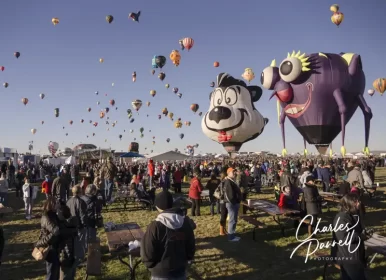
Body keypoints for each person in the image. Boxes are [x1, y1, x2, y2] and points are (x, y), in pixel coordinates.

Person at [141, 190, 196, 280]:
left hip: (160, 273)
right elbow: (191, 247)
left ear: (158, 207)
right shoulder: (185, 223)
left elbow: (147, 253)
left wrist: (151, 266)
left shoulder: (155, 226)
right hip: (180, 271)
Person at [331, 193, 367, 280]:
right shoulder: (342, 218)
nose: (359, 203)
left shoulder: (352, 215)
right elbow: (343, 237)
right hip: (348, 256)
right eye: (356, 201)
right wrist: (361, 236)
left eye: (358, 201)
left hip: (355, 255)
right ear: (350, 203)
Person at [35, 197, 61, 280]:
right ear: (51, 205)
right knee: (51, 271)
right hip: (50, 247)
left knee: (55, 270)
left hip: (54, 246)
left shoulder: (54, 215)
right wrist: (51, 238)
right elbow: (55, 230)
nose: (58, 205)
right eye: (56, 203)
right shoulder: (47, 217)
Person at [66, 185, 87, 267]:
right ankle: (80, 260)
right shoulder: (80, 202)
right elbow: (82, 215)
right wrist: (83, 224)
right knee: (80, 243)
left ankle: (74, 257)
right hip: (79, 225)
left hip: (71, 226)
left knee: (74, 243)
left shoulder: (69, 201)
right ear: (79, 192)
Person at [224, 167, 242, 242]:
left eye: (234, 172)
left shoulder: (232, 181)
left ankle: (233, 234)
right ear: (228, 173)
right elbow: (229, 195)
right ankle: (231, 237)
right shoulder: (228, 182)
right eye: (233, 172)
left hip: (234, 203)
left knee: (234, 219)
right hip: (232, 204)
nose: (234, 173)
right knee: (232, 220)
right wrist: (234, 202)